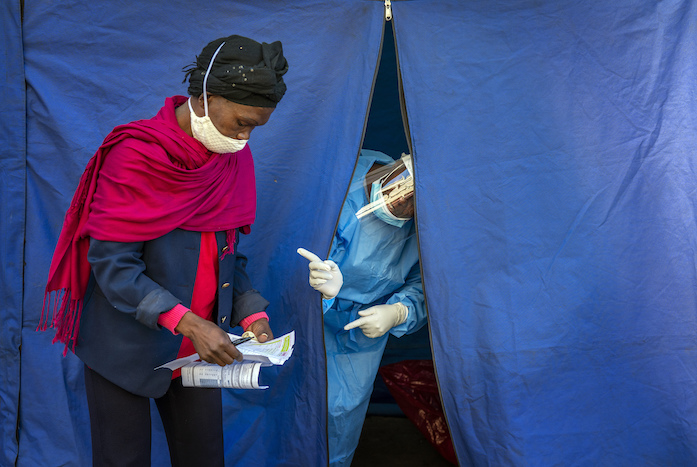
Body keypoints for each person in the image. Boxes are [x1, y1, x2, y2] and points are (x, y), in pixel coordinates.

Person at [39, 35, 288, 466]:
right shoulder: (135, 155)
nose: (245, 136)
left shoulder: (231, 158)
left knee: (204, 456)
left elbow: (227, 253)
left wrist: (251, 313)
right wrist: (188, 322)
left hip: (195, 351)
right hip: (125, 347)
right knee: (124, 459)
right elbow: (112, 265)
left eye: (255, 128)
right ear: (207, 98)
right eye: (241, 122)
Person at [298, 149, 427, 467]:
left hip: (365, 326)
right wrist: (318, 288)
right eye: (401, 186)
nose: (400, 202)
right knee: (290, 400)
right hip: (305, 313)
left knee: (340, 414)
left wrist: (399, 312)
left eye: (414, 203)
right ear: (399, 165)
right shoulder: (343, 173)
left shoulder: (425, 232)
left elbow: (425, 284)